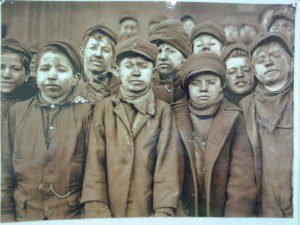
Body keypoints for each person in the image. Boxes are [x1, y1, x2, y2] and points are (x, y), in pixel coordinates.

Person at [81, 36, 184, 218]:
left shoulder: (163, 112)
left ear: (154, 71)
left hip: (147, 214)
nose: (136, 73)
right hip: (107, 214)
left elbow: (167, 168)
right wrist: (97, 212)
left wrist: (163, 213)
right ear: (117, 70)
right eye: (128, 66)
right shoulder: (103, 109)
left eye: (143, 66)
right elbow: (94, 166)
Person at [1, 41, 92, 222]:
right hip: (24, 215)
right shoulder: (17, 113)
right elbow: (5, 174)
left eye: (60, 70)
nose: (51, 75)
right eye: (45, 69)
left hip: (70, 215)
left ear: (75, 78)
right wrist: (5, 218)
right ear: (35, 74)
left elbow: (93, 176)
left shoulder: (86, 113)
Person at [173, 53, 256, 217]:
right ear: (187, 87)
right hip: (183, 212)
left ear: (221, 85)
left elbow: (242, 180)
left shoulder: (235, 118)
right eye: (195, 83)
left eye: (211, 82)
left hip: (221, 212)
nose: (203, 88)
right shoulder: (172, 115)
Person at [240, 32, 294, 217]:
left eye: (276, 56)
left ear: (292, 63)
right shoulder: (245, 106)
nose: (268, 62)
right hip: (263, 209)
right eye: (261, 59)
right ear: (254, 71)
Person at [75, 23, 121, 104]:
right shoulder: (72, 84)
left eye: (105, 50)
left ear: (113, 56)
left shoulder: (120, 88)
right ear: (82, 51)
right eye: (93, 48)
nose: (98, 54)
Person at [149, 19, 191, 104]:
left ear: (184, 56)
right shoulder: (146, 86)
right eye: (159, 51)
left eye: (170, 51)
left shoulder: (192, 84)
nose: (162, 57)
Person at [1, 37, 37, 128]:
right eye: (1, 67)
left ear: (27, 74)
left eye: (16, 69)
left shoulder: (35, 101)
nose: (6, 75)